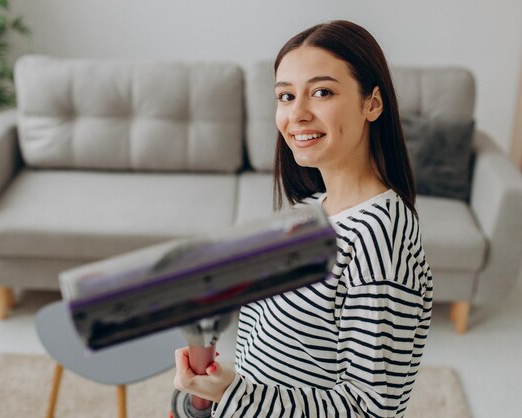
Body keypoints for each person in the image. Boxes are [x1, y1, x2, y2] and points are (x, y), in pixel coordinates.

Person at [174, 20, 433, 418]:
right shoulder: (309, 211)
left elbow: (371, 411)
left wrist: (235, 397)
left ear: (372, 103)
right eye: (285, 96)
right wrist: (213, 395)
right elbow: (278, 359)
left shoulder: (379, 239)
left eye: (322, 92)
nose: (297, 114)